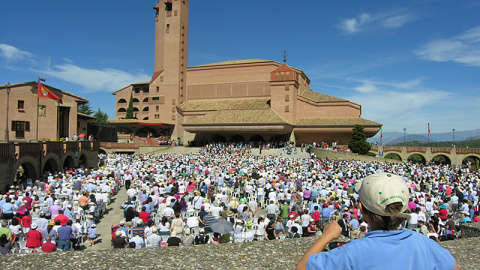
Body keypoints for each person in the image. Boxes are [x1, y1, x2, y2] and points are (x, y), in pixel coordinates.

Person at [297, 172, 459, 270]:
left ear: (361, 210)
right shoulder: (424, 244)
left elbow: (302, 267)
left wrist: (327, 236)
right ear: (404, 208)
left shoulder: (353, 251)